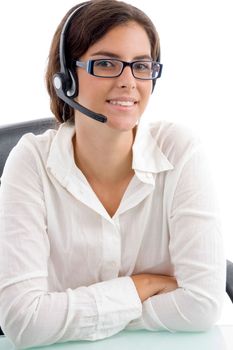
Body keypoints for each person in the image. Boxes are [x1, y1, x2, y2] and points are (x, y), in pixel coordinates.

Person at [0, 0, 226, 348]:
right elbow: (23, 321)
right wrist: (142, 286)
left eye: (141, 66)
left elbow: (202, 307)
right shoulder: (29, 162)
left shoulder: (181, 151)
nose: (128, 82)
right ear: (65, 77)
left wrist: (67, 316)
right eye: (106, 63)